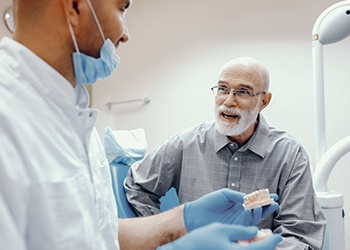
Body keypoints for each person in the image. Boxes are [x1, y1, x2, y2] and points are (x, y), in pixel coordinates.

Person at [0, 0, 282, 249]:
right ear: (75, 5)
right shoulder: (9, 120)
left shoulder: (74, 114)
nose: (125, 33)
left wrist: (182, 219)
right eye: (121, 8)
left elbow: (100, 236)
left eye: (243, 91)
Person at [124, 56, 327, 249]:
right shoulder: (185, 144)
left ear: (264, 101)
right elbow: (137, 186)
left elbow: (300, 234)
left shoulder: (290, 155)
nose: (229, 101)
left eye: (243, 92)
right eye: (223, 89)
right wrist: (168, 238)